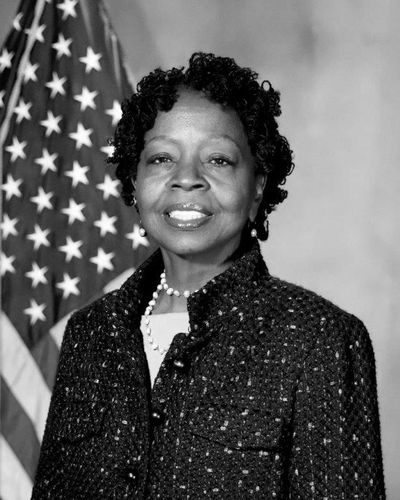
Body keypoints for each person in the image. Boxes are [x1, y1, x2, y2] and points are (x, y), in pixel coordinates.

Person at [32, 52, 385, 499]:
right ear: (134, 183)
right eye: (162, 158)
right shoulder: (90, 333)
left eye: (218, 160)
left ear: (257, 185)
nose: (187, 179)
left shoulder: (319, 339)